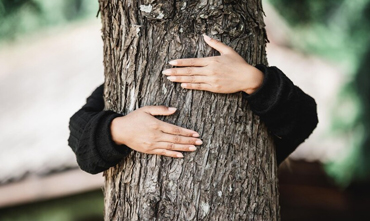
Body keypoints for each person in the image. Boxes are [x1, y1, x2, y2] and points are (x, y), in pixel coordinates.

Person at [68, 34, 318, 174]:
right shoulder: (122, 80)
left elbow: (304, 119)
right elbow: (79, 135)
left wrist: (253, 80)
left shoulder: (246, 63)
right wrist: (118, 130)